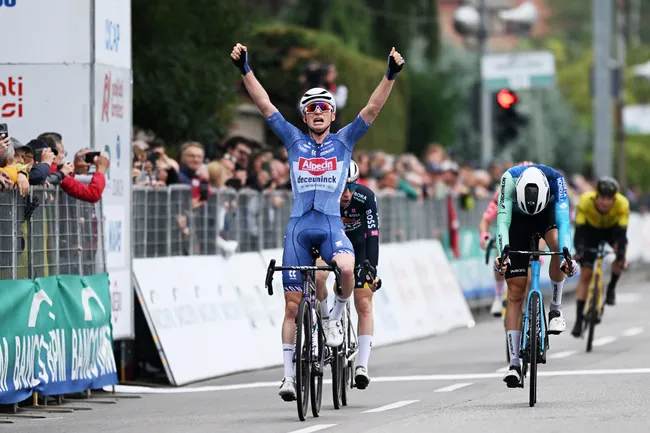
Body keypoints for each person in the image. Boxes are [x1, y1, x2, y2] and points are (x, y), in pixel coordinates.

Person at [230, 42, 405, 401]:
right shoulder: (293, 140)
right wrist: (246, 70)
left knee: (345, 266)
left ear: (332, 113)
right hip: (297, 227)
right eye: (312, 109)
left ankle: (333, 319)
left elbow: (372, 108)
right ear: (305, 116)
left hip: (328, 224)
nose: (319, 112)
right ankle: (288, 378)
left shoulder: (344, 141)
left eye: (325, 107)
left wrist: (389, 75)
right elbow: (265, 106)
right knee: (292, 306)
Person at [494, 164, 578, 387]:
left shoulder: (556, 181)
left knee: (557, 247)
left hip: (546, 216)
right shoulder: (508, 181)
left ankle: (555, 310)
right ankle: (514, 365)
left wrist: (567, 256)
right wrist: (503, 255)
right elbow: (502, 223)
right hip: (517, 223)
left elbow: (564, 225)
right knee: (515, 292)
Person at [315, 161, 381, 390]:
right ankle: (327, 321)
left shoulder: (366, 197)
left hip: (359, 245)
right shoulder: (322, 197)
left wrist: (371, 267)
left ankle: (362, 366)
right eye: (342, 187)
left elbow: (373, 234)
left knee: (363, 301)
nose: (346, 194)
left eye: (351, 187)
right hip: (330, 244)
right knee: (319, 278)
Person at [571, 177, 629, 337]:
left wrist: (621, 256)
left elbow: (622, 235)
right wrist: (580, 251)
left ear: (614, 199)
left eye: (609, 198)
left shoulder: (623, 204)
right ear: (595, 196)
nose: (604, 202)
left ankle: (611, 288)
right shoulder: (585, 201)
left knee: (621, 256)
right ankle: (578, 319)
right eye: (601, 197)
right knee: (585, 274)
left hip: (612, 230)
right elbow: (580, 232)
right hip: (590, 231)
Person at [479, 161, 536, 317]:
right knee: (500, 251)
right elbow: (485, 219)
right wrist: (484, 236)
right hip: (509, 231)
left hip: (530, 233)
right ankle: (498, 296)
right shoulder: (504, 191)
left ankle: (528, 311)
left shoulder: (539, 190)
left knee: (529, 278)